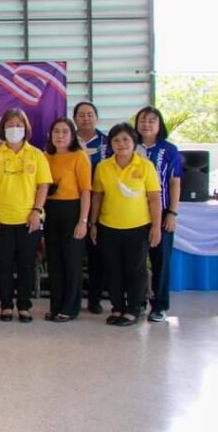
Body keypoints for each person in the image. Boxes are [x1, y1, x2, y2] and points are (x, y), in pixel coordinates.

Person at [0, 108, 52, 323]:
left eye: (18, 125)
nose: (14, 129)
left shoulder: (36, 155)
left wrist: (36, 211)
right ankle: (6, 306)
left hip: (29, 221)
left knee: (26, 265)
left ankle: (24, 306)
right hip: (2, 221)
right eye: (10, 125)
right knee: (4, 265)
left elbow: (43, 185)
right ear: (3, 129)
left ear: (25, 128)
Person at [90, 123, 162, 327]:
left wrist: (156, 226)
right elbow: (97, 197)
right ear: (110, 144)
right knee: (113, 269)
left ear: (134, 142)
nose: (121, 144)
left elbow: (154, 198)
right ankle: (118, 307)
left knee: (135, 270)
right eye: (116, 140)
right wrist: (93, 223)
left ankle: (134, 309)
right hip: (108, 226)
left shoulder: (145, 166)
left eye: (125, 139)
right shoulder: (103, 167)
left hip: (138, 227)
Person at [134, 106, 182, 323]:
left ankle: (160, 305)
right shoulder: (129, 146)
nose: (146, 124)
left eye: (151, 121)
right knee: (135, 261)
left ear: (159, 124)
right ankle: (137, 301)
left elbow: (174, 182)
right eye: (142, 120)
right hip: (133, 213)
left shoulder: (169, 150)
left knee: (160, 260)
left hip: (161, 212)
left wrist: (172, 213)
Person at [44, 117, 91, 322]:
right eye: (56, 131)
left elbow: (86, 191)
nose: (60, 136)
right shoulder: (45, 156)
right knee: (54, 261)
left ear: (72, 135)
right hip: (51, 211)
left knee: (71, 261)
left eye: (65, 132)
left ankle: (70, 308)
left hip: (73, 210)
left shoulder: (79, 156)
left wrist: (83, 220)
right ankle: (56, 306)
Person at [73, 101, 109, 314]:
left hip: (101, 205)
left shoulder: (108, 142)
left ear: (96, 117)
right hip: (72, 204)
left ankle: (94, 299)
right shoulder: (68, 140)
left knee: (97, 255)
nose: (86, 118)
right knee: (73, 256)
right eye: (81, 115)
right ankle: (73, 300)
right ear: (75, 119)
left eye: (90, 114)